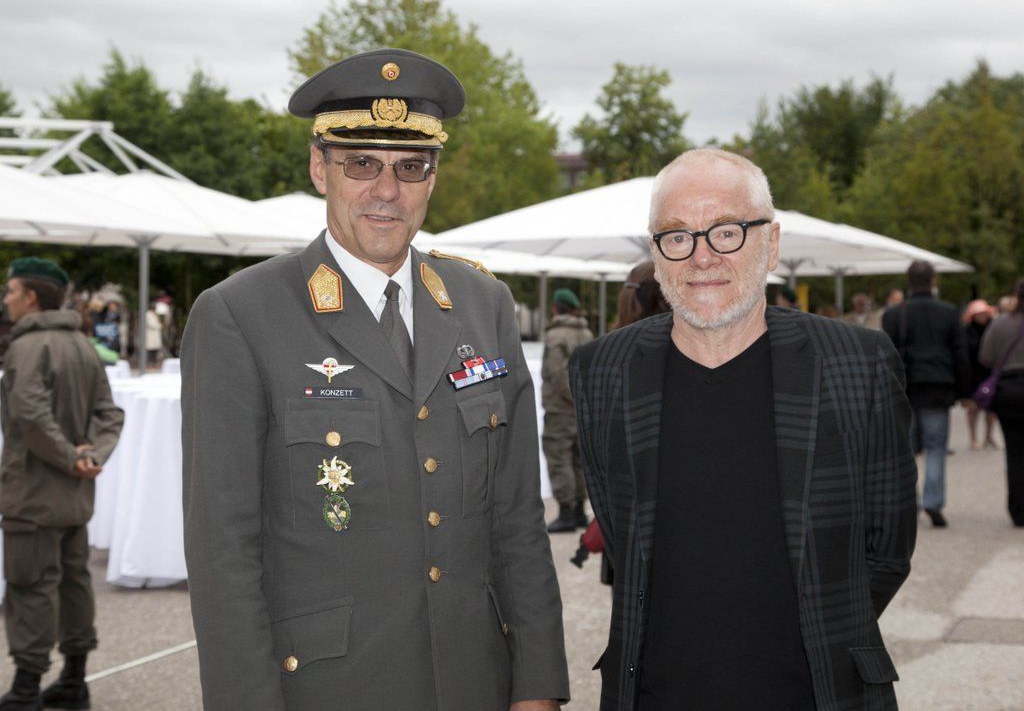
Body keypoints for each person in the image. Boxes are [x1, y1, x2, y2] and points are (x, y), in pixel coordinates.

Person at [180, 48, 568, 710]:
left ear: (432, 178)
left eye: (410, 166)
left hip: (475, 683)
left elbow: (517, 518)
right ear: (319, 168)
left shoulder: (484, 304)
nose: (386, 190)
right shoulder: (242, 315)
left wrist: (537, 686)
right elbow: (223, 553)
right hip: (330, 689)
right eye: (361, 163)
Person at [570, 148, 916, 710]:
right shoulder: (601, 370)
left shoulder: (857, 363)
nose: (702, 256)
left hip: (818, 697)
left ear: (771, 244)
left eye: (727, 232)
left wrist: (820, 633)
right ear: (655, 252)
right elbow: (620, 532)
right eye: (677, 236)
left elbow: (888, 549)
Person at [0, 257, 124, 710]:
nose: (6, 300)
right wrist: (91, 455)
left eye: (11, 291)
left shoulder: (26, 347)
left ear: (31, 296)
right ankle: (74, 679)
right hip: (74, 494)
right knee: (73, 582)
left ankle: (27, 688)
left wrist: (73, 459)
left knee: (31, 584)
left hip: (33, 491)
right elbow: (109, 413)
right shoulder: (82, 345)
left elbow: (29, 415)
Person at [883, 260, 972, 528]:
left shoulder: (893, 314)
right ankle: (933, 501)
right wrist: (965, 391)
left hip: (904, 388)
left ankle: (910, 502)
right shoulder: (949, 312)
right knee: (935, 447)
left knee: (906, 450)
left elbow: (886, 354)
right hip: (938, 386)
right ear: (933, 281)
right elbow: (960, 354)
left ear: (909, 281)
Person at [541, 287, 594, 533]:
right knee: (579, 459)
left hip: (560, 409)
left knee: (559, 458)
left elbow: (556, 373)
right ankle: (580, 511)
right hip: (583, 408)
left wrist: (570, 399)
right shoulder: (587, 333)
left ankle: (566, 512)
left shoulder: (555, 336)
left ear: (555, 308)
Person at [979, 278, 1024, 527]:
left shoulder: (1000, 324)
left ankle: (1018, 509)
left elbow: (985, 357)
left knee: (1015, 453)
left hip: (1009, 391)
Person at [962, 299, 1000, 449]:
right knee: (973, 408)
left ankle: (989, 436)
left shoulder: (993, 327)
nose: (982, 316)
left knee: (992, 408)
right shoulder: (967, 331)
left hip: (990, 373)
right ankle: (973, 438)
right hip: (973, 374)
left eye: (984, 313)